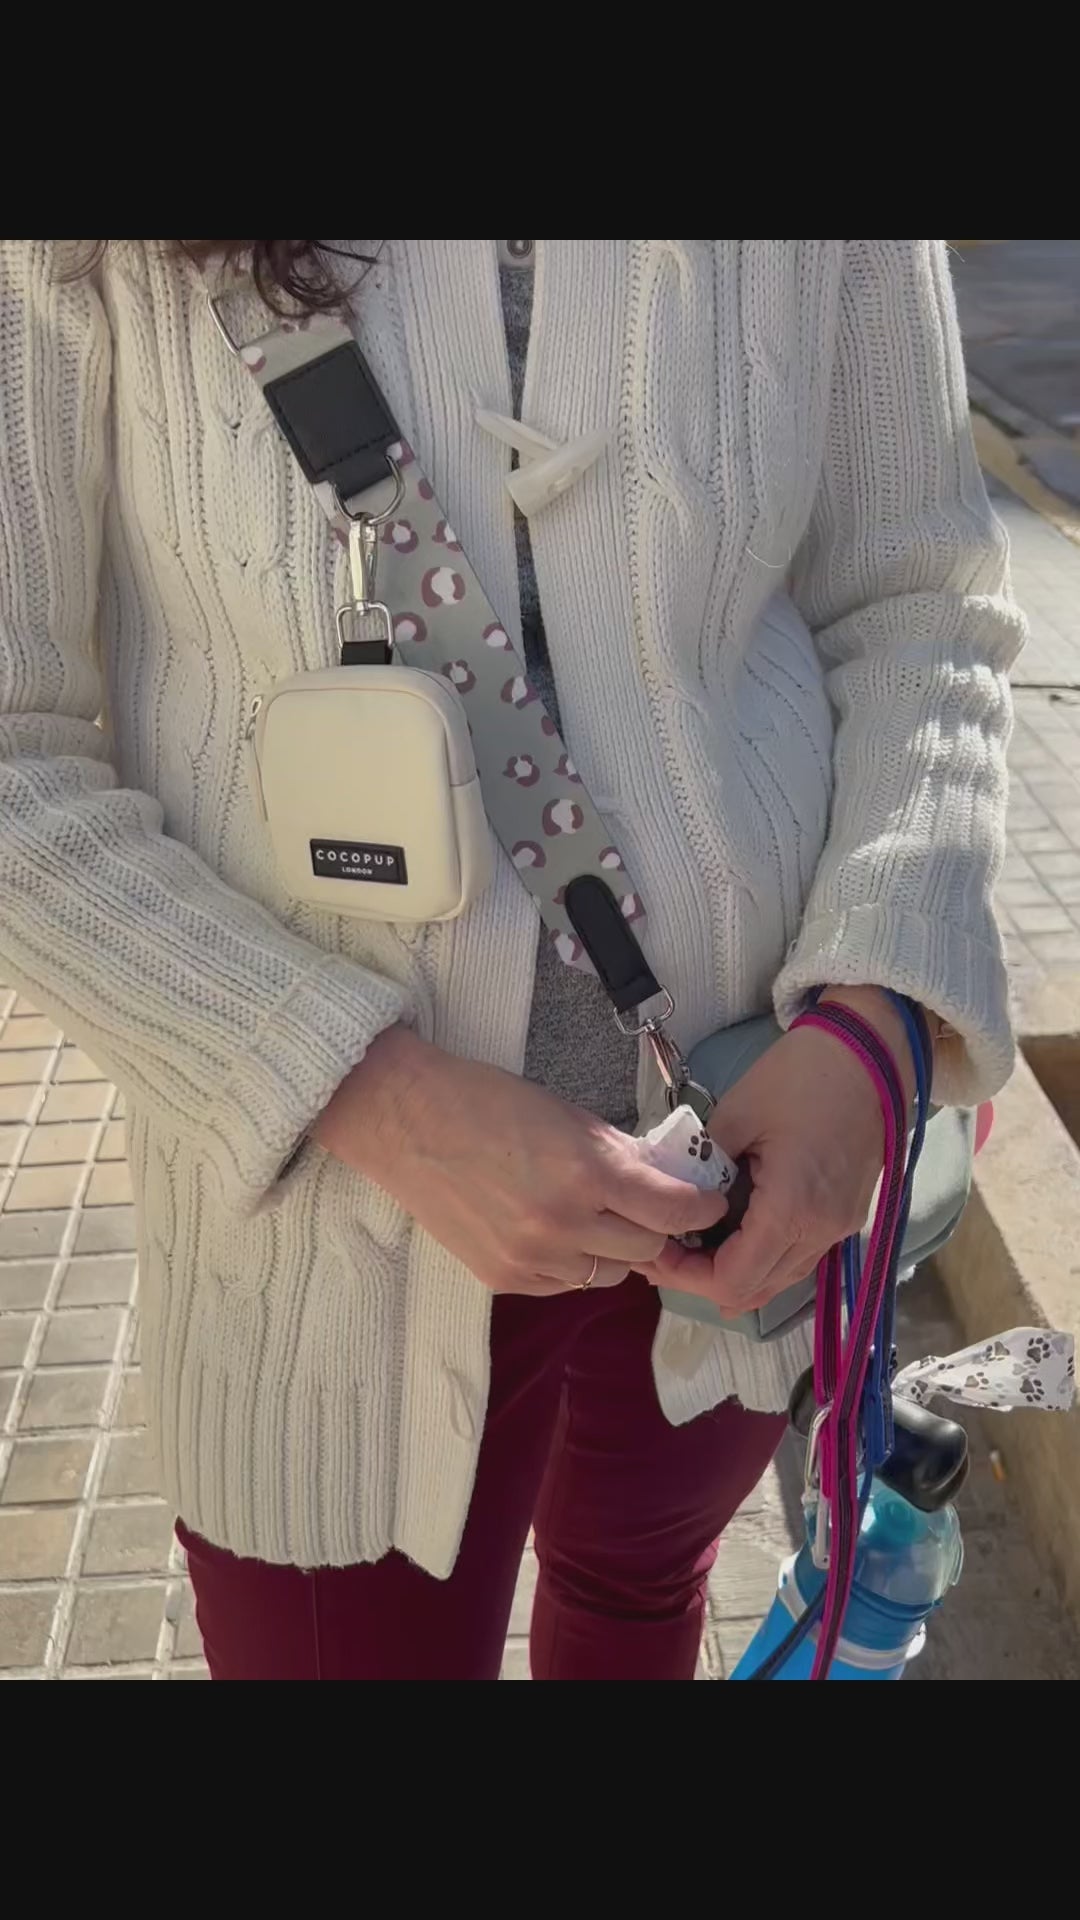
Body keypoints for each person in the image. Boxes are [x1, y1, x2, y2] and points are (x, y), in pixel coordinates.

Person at [0, 240, 1023, 1681]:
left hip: (743, 1156)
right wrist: (362, 1090)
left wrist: (873, 1009)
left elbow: (922, 601)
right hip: (319, 1235)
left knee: (638, 1591)